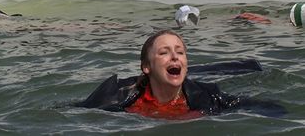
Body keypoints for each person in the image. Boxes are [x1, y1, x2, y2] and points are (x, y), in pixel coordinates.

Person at [78, 30, 242, 118]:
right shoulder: (116, 96)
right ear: (147, 67)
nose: (175, 56)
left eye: (180, 52)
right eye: (164, 53)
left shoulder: (210, 96)